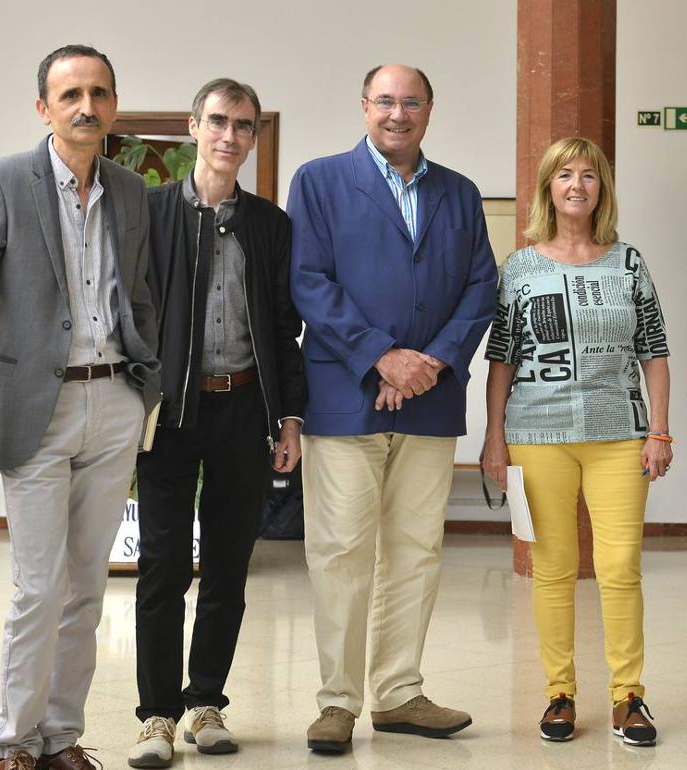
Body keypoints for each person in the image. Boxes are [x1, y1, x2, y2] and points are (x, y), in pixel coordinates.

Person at [0, 44, 159, 770]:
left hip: (114, 401)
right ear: (44, 107)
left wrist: (148, 380)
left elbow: (138, 293)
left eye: (100, 93)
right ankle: (13, 742)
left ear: (113, 104)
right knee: (38, 586)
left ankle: (61, 738)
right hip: (33, 408)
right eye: (72, 94)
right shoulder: (0, 181)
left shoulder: (130, 189)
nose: (88, 106)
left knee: (87, 585)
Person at [286, 64, 498, 754]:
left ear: (430, 110)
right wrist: (382, 356)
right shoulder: (318, 182)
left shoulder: (459, 194)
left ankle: (401, 693)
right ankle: (337, 702)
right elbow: (309, 282)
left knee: (416, 550)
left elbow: (479, 288)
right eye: (385, 101)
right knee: (342, 550)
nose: (397, 114)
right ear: (364, 106)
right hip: (346, 396)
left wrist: (428, 363)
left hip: (430, 400)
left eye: (411, 102)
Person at [127, 78, 306, 768]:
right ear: (193, 127)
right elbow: (129, 318)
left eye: (244, 126)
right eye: (219, 122)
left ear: (254, 138)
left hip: (244, 406)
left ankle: (206, 702)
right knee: (163, 565)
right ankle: (155, 715)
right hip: (171, 413)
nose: (230, 136)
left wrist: (288, 418)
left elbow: (285, 331)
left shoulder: (270, 225)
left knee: (229, 564)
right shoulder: (148, 214)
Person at [481, 136, 672, 747]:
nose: (577, 186)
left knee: (619, 568)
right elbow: (502, 361)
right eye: (565, 175)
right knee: (554, 568)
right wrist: (494, 439)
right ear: (548, 187)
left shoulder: (629, 263)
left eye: (589, 176)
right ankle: (559, 694)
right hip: (537, 434)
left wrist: (660, 430)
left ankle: (629, 698)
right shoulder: (520, 268)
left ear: (601, 190)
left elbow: (656, 353)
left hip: (619, 434)